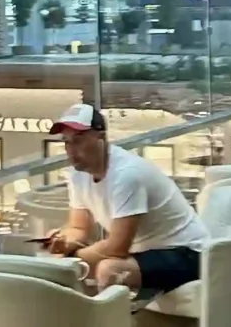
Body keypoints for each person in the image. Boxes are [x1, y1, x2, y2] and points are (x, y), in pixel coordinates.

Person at [42, 103, 207, 301]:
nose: (71, 150)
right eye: (66, 142)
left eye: (78, 140)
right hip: (145, 252)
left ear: (101, 137)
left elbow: (117, 248)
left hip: (188, 252)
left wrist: (73, 257)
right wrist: (63, 242)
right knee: (59, 263)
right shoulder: (77, 175)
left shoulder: (127, 175)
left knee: (109, 270)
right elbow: (79, 227)